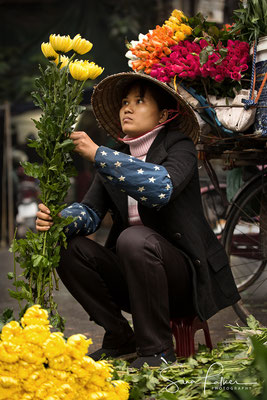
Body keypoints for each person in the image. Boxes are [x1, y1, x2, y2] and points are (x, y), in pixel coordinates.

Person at [36, 72, 240, 368]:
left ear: (164, 115)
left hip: (183, 280)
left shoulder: (178, 146)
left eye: (139, 101)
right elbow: (91, 212)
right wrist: (59, 220)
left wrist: (99, 155)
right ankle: (120, 336)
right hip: (135, 280)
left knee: (133, 238)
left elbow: (160, 188)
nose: (127, 108)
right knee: (66, 245)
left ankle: (157, 351)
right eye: (124, 102)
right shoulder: (116, 154)